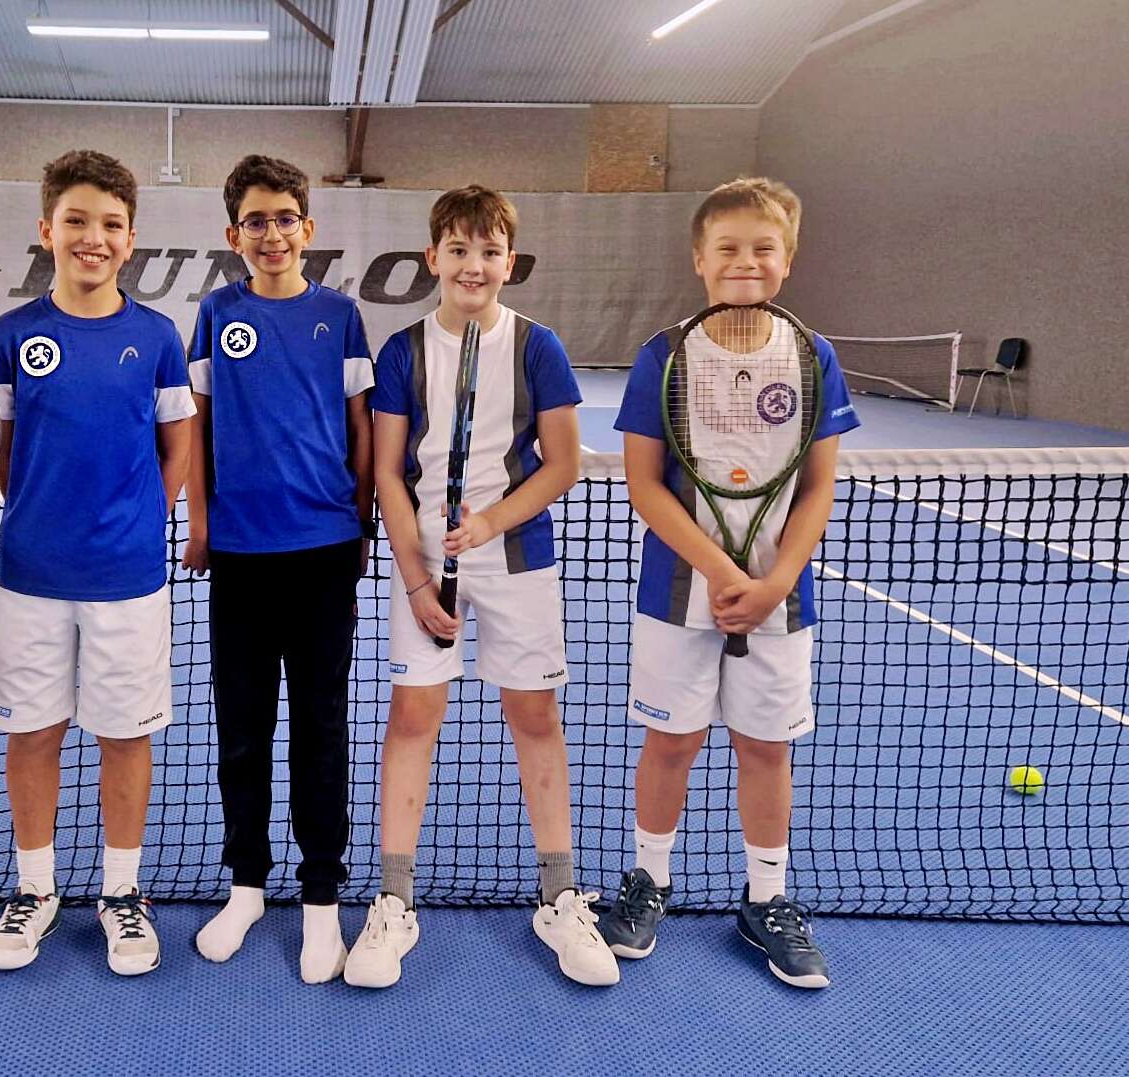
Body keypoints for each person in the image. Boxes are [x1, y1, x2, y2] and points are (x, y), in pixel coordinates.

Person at [344, 185, 617, 989]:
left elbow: (561, 464)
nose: (473, 265)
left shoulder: (538, 347)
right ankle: (394, 900)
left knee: (534, 716)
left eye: (489, 251)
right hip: (424, 564)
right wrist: (416, 579)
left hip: (518, 560)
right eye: (458, 250)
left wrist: (492, 520)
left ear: (509, 261)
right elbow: (387, 474)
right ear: (432, 257)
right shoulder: (403, 351)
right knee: (412, 717)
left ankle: (560, 896)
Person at [602, 176, 860, 989]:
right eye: (727, 247)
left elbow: (817, 485)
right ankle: (648, 880)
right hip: (676, 594)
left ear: (787, 259)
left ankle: (766, 898)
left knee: (764, 746)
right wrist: (722, 571)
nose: (745, 260)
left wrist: (776, 578)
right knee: (671, 742)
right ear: (698, 258)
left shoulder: (811, 357)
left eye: (762, 247)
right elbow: (644, 484)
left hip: (782, 599)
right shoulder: (665, 356)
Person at [0, 150, 194, 977]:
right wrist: (38, 510)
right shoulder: (8, 336)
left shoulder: (157, 336)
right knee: (32, 733)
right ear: (46, 229)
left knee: (123, 734)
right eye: (75, 220)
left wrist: (146, 514)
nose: (92, 238)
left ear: (130, 239)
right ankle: (35, 889)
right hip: (30, 576)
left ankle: (121, 892)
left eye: (110, 224)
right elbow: (1, 450)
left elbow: (178, 441)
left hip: (127, 579)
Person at [183, 155, 374, 984]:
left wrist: (360, 521)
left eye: (285, 218)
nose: (272, 234)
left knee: (320, 725)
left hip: (323, 550)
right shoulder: (214, 314)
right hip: (239, 555)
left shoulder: (340, 316)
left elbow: (362, 429)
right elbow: (196, 425)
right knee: (242, 726)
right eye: (255, 221)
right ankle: (247, 884)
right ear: (234, 234)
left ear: (308, 227)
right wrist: (199, 522)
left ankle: (322, 896)